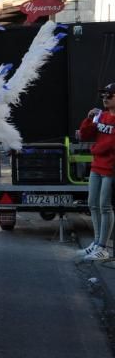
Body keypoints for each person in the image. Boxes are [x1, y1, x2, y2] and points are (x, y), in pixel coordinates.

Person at [77, 83, 115, 261]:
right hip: (97, 166)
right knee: (92, 203)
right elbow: (84, 135)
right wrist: (89, 118)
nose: (105, 98)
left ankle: (104, 247)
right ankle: (97, 242)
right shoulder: (102, 116)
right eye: (104, 96)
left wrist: (97, 149)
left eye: (109, 95)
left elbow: (110, 144)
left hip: (110, 168)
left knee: (105, 206)